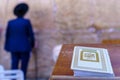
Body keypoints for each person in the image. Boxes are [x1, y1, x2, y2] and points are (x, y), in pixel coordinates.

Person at [4, 3, 35, 79]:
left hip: (13, 47)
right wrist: (32, 45)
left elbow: (7, 35)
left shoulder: (10, 23)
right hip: (24, 47)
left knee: (14, 64)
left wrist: (7, 47)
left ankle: (13, 78)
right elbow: (31, 35)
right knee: (24, 66)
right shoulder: (26, 22)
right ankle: (22, 78)